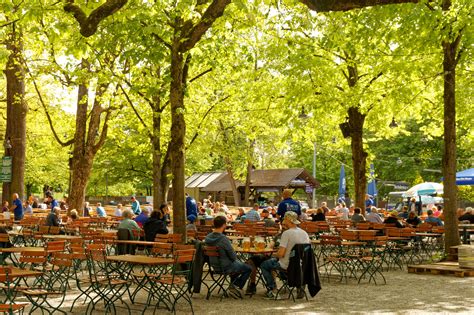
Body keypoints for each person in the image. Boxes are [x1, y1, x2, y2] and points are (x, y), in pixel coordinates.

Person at [260, 211, 310, 299]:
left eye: (285, 220)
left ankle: (273, 290)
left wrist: (273, 254)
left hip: (286, 265)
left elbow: (281, 254)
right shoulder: (304, 233)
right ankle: (299, 285)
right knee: (273, 262)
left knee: (264, 264)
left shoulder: (286, 233)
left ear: (288, 221)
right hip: (301, 265)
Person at [205, 216, 252, 297]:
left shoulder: (207, 238)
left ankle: (233, 285)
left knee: (238, 265)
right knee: (248, 268)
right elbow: (233, 257)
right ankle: (235, 286)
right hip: (226, 266)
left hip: (214, 265)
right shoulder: (223, 239)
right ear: (224, 225)